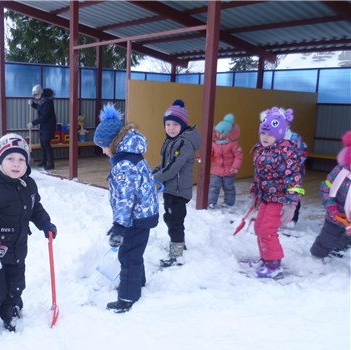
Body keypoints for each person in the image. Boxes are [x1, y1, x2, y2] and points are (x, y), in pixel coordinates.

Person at [0, 133, 57, 332]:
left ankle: (11, 312)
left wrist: (44, 223)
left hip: (17, 249)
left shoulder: (28, 184)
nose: (16, 164)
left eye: (21, 159)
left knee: (16, 286)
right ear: (0, 160)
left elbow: (35, 207)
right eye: (10, 159)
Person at [93, 104, 159, 313]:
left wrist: (119, 227)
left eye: (103, 146)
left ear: (113, 143)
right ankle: (137, 283)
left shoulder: (124, 165)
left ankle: (127, 297)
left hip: (136, 218)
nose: (102, 151)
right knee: (134, 253)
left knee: (128, 256)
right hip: (143, 215)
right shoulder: (132, 156)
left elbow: (125, 199)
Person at [248, 107, 303, 278]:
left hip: (279, 199)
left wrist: (291, 203)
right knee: (258, 228)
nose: (265, 137)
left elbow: (293, 178)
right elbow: (259, 176)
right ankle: (265, 258)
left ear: (279, 135)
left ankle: (274, 265)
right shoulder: (261, 150)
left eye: (270, 134)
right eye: (263, 133)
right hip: (266, 197)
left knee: (267, 231)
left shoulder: (285, 152)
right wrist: (255, 193)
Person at [152, 99, 201, 267]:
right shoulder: (171, 141)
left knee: (174, 221)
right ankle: (179, 245)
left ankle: (177, 255)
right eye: (168, 124)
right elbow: (165, 163)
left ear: (183, 125)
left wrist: (154, 179)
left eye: (175, 124)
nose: (171, 128)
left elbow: (173, 168)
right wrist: (152, 173)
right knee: (171, 219)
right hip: (171, 189)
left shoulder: (184, 144)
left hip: (178, 191)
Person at [310, 131, 351, 260]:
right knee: (327, 238)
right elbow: (326, 188)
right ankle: (317, 258)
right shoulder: (339, 171)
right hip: (336, 216)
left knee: (341, 238)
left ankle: (341, 245)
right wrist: (331, 207)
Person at [208, 113, 243, 209]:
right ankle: (211, 202)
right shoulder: (214, 143)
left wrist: (235, 167)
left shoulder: (233, 144)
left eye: (220, 133)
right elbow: (210, 153)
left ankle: (228, 202)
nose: (217, 135)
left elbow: (238, 156)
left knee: (228, 188)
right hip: (216, 170)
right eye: (217, 132)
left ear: (227, 133)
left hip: (229, 171)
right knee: (214, 187)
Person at [282, 115, 308, 229]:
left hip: (294, 173)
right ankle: (278, 217)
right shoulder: (271, 137)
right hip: (276, 174)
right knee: (276, 194)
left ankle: (292, 219)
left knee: (293, 195)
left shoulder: (295, 138)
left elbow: (302, 153)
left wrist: (291, 166)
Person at [28, 84, 57, 170]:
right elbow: (39, 108)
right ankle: (43, 161)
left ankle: (51, 163)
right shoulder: (41, 101)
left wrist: (33, 123)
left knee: (46, 144)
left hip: (49, 126)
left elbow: (44, 116)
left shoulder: (48, 102)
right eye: (35, 95)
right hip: (43, 126)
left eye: (37, 95)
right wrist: (33, 104)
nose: (36, 97)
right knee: (42, 143)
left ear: (41, 93)